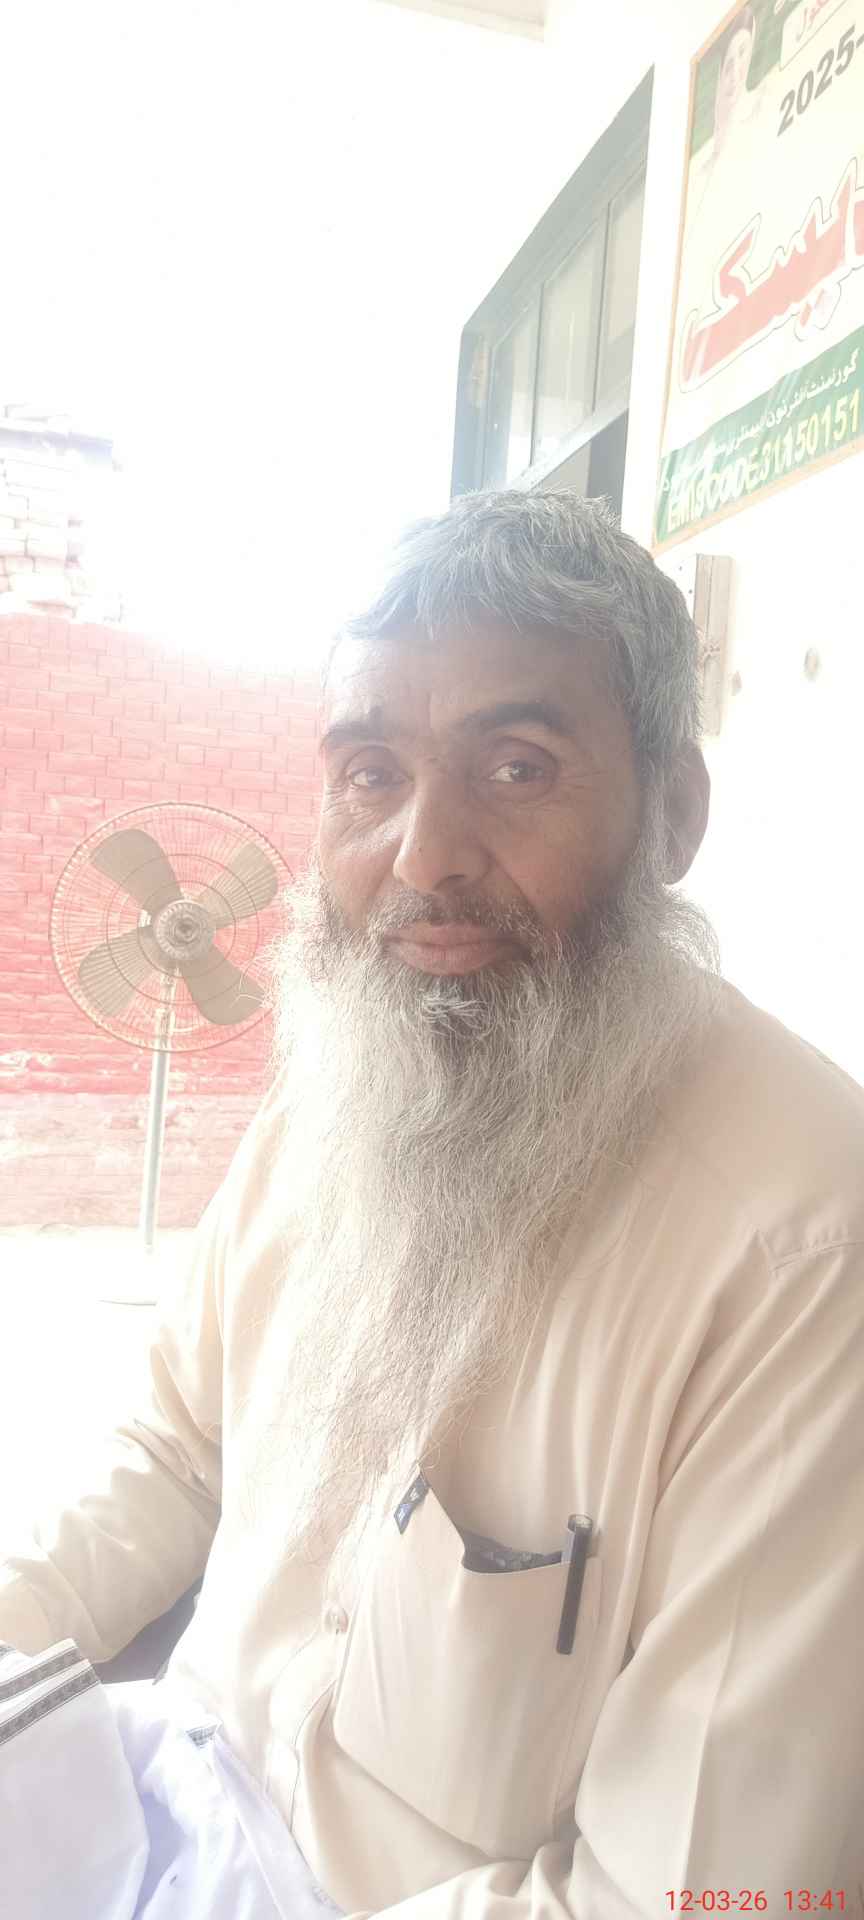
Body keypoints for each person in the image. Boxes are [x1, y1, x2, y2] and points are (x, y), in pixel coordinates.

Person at [2, 489, 863, 1915]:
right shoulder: (340, 1098)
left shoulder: (802, 1242)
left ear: (675, 813)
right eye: (369, 774)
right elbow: (175, 1448)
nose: (423, 854)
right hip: (162, 1804)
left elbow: (686, 1891)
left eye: (518, 768)